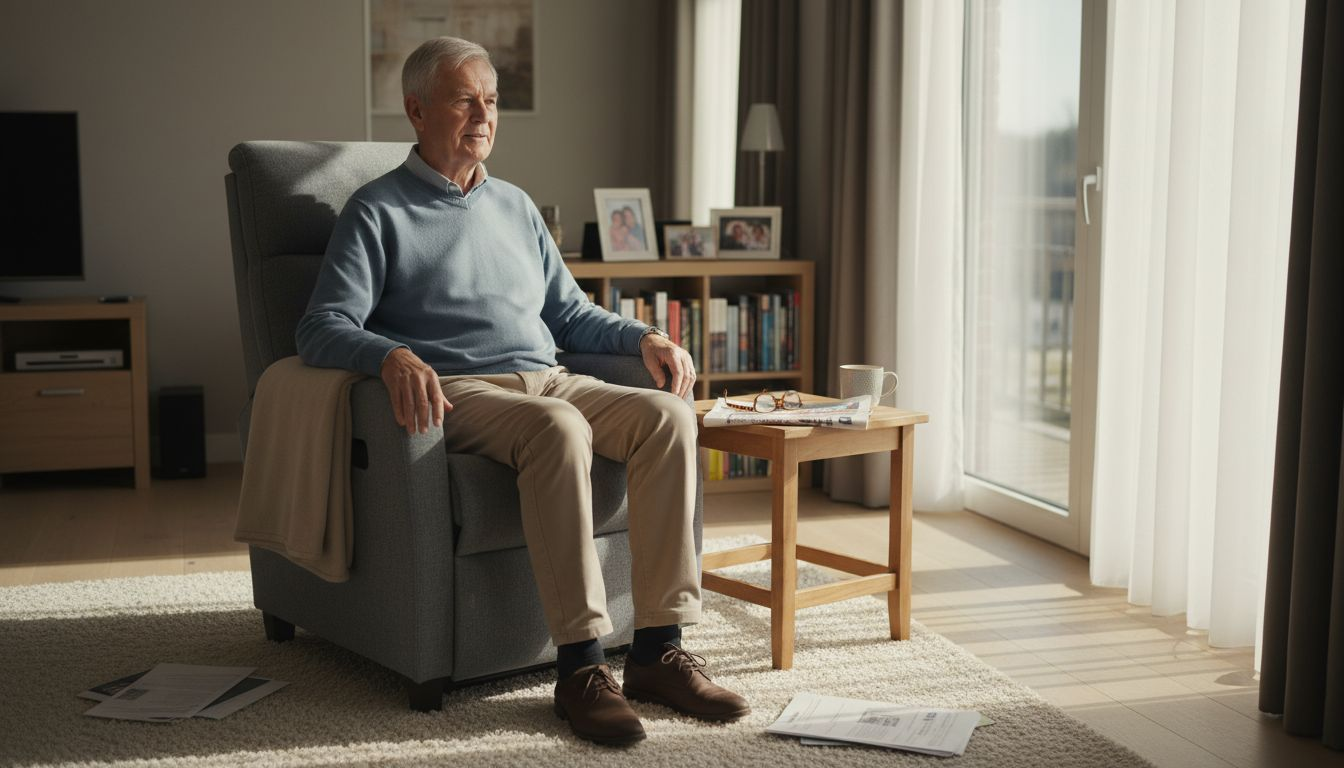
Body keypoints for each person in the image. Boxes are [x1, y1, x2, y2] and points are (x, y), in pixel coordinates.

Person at [295, 36, 748, 746]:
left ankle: (658, 650)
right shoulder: (375, 210)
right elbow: (320, 325)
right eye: (464, 99)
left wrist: (642, 338)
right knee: (557, 428)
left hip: (550, 374)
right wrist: (390, 355)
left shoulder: (515, 204)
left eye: (493, 100)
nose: (484, 114)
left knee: (666, 416)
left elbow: (567, 313)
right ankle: (580, 668)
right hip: (462, 391)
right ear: (416, 110)